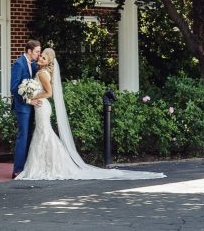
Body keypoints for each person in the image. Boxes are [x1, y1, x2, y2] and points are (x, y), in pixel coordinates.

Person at [16, 48, 166, 181]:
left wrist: (32, 97)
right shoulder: (43, 71)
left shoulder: (42, 73)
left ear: (49, 61)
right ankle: (47, 164)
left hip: (41, 105)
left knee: (44, 133)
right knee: (43, 133)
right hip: (41, 106)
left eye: (44, 57)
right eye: (41, 56)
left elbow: (48, 93)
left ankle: (49, 166)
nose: (40, 58)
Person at [10, 39, 43, 179]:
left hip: (33, 107)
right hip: (23, 107)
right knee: (23, 137)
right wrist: (30, 100)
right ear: (29, 51)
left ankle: (28, 168)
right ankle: (17, 170)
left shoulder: (35, 64)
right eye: (37, 52)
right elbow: (14, 88)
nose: (38, 54)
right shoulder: (19, 64)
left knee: (30, 136)